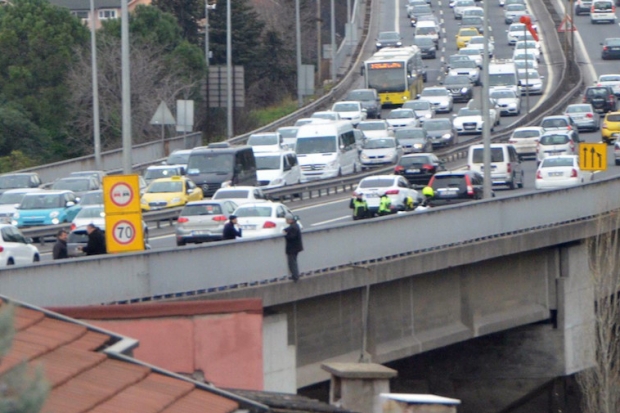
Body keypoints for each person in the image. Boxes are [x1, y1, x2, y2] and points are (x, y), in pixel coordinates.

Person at [283, 213, 303, 282]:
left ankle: (295, 276)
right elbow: (290, 229)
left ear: (290, 220)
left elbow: (291, 237)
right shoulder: (295, 225)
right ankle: (295, 275)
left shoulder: (293, 227)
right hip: (296, 247)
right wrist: (286, 230)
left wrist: (285, 235)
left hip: (292, 248)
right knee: (293, 261)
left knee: (292, 262)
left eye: (286, 220)